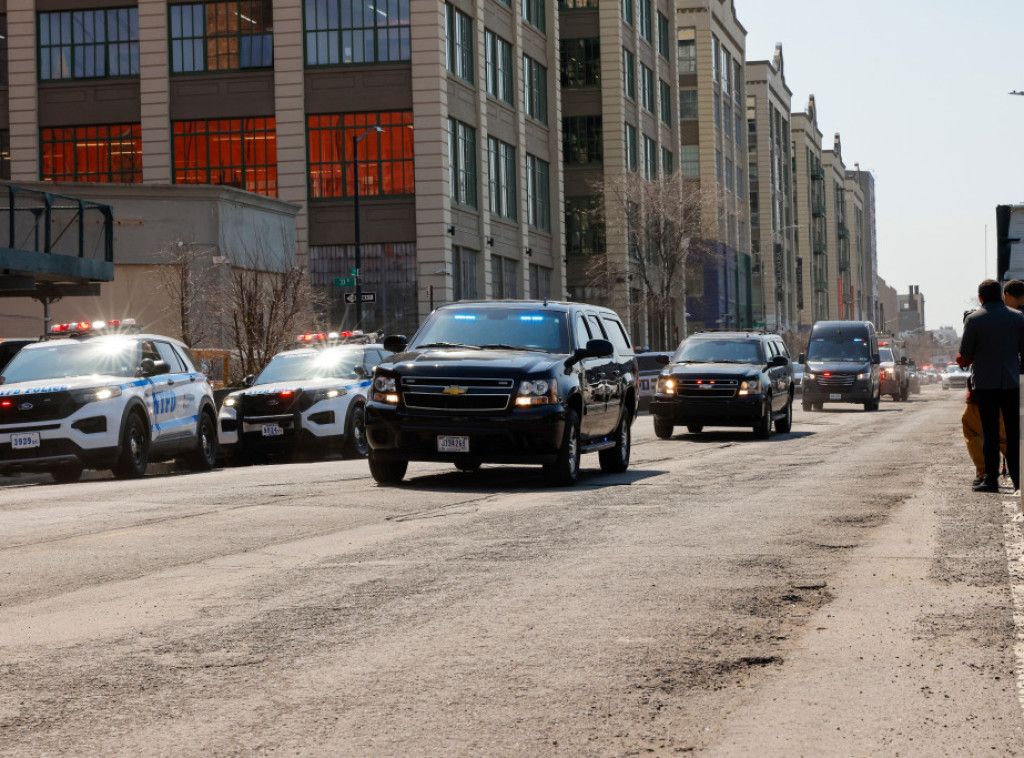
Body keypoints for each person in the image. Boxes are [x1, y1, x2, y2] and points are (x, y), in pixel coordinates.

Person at [958, 279, 1024, 493]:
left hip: (986, 386)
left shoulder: (974, 320)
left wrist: (966, 360)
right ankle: (1018, 479)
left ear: (980, 298)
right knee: (1014, 434)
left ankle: (991, 480)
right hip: (1012, 383)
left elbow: (965, 356)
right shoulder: (1017, 318)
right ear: (1001, 295)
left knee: (990, 433)